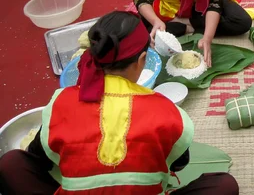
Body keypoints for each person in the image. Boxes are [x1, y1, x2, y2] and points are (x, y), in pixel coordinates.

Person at [0, 11, 240, 194]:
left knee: (11, 163)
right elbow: (178, 163)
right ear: (143, 60)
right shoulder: (167, 112)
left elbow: (38, 157)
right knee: (223, 185)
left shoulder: (60, 102)